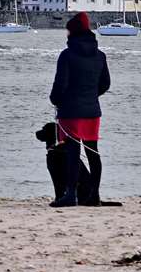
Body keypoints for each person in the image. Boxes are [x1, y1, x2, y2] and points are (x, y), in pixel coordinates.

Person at [48, 12, 111, 207]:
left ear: (73, 32)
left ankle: (70, 195)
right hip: (92, 111)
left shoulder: (66, 55)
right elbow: (105, 84)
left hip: (70, 110)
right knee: (93, 152)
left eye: (68, 30)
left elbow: (61, 84)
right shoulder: (100, 55)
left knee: (72, 153)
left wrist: (55, 100)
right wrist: (92, 96)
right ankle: (95, 195)